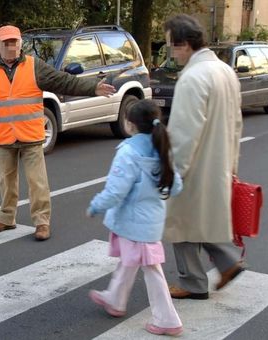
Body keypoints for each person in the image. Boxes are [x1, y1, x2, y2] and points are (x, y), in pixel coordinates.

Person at [0, 25, 115, 241]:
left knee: (37, 182)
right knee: (6, 182)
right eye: (6, 43)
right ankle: (7, 218)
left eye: (14, 42)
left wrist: (93, 87)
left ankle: (42, 223)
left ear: (20, 44)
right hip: (4, 136)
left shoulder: (33, 66)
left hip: (30, 135)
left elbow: (63, 81)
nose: (11, 47)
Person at [162, 14, 245, 300]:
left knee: (181, 224)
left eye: (171, 45)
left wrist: (173, 172)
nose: (171, 52)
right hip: (218, 161)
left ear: (184, 44)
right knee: (201, 220)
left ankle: (192, 281)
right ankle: (227, 262)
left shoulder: (193, 77)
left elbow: (184, 133)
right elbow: (236, 123)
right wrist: (232, 164)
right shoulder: (224, 70)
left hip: (195, 165)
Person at [86, 99, 183, 336]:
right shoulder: (162, 147)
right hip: (150, 221)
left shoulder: (129, 151)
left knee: (151, 270)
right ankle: (115, 300)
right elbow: (176, 186)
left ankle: (168, 320)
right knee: (132, 261)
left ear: (130, 124)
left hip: (132, 221)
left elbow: (116, 190)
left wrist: (96, 205)